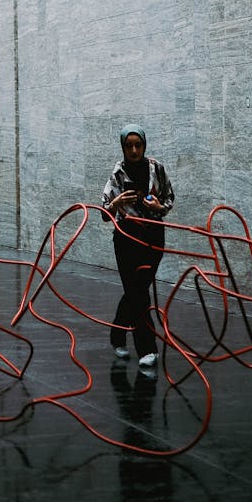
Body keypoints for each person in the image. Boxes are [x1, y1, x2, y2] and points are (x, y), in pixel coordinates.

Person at [101, 124, 175, 368]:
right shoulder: (118, 172)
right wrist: (117, 203)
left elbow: (169, 198)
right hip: (126, 235)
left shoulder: (157, 168)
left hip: (153, 234)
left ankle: (117, 333)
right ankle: (147, 348)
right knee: (138, 292)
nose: (134, 150)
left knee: (137, 288)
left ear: (144, 144)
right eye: (128, 145)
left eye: (138, 145)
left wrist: (158, 208)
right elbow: (104, 211)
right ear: (123, 146)